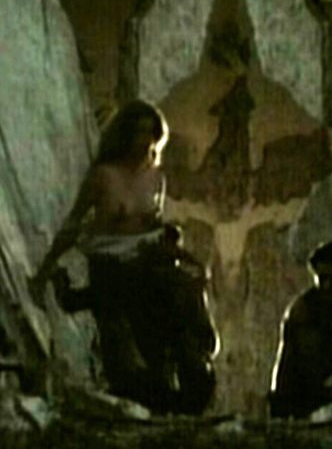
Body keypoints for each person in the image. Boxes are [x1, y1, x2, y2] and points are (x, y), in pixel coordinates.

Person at [30, 100, 217, 413]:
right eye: (138, 132)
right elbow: (74, 223)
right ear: (125, 135)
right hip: (112, 264)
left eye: (150, 134)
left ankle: (194, 362)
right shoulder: (104, 176)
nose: (144, 141)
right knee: (124, 346)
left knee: (179, 297)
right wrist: (45, 269)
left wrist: (186, 259)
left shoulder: (155, 178)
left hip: (148, 261)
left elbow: (155, 229)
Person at [270, 242, 332, 419]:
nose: (327, 286)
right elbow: (304, 360)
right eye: (322, 279)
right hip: (298, 393)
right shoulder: (304, 308)